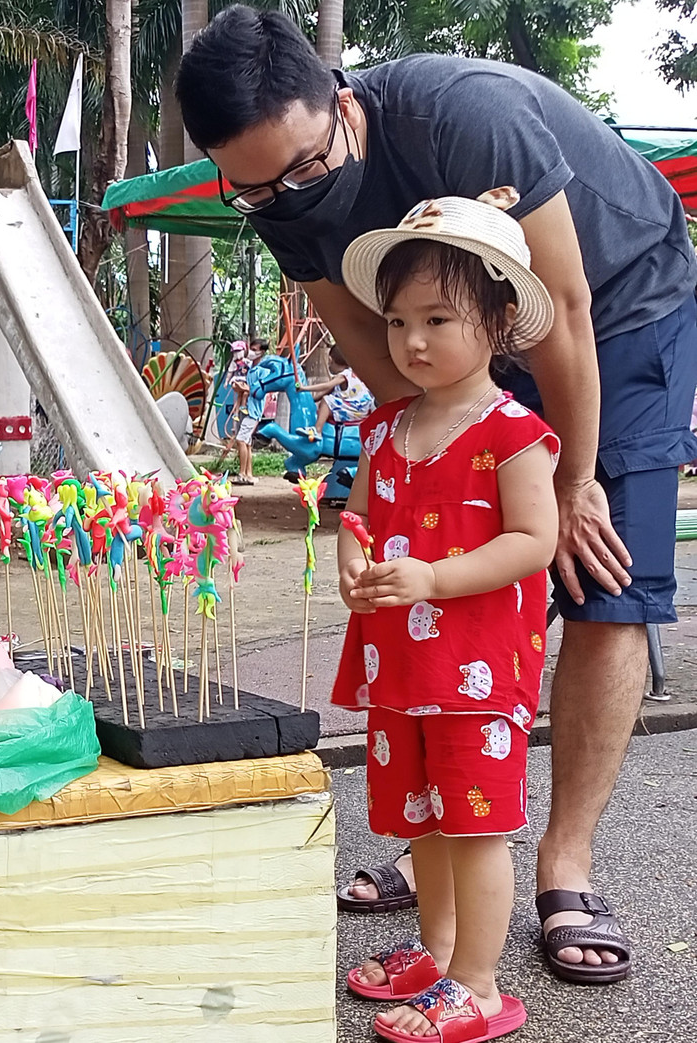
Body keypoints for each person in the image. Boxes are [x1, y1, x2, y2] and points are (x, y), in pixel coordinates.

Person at [177, 5, 697, 981]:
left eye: (303, 170)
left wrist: (570, 477)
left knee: (599, 577)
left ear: (342, 107)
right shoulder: (277, 200)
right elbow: (386, 370)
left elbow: (565, 316)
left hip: (620, 306)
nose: (287, 199)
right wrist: (404, 488)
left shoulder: (461, 118)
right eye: (255, 190)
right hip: (458, 342)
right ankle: (456, 833)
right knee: (450, 582)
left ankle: (564, 862)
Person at [332, 192, 558, 1041]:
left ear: (499, 321)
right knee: (417, 819)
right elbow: (354, 518)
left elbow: (535, 541)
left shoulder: (514, 432)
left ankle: (481, 983)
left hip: (477, 672)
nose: (412, 340)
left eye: (437, 317)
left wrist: (432, 575)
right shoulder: (386, 426)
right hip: (400, 670)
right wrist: (356, 568)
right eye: (396, 321)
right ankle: (437, 946)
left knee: (475, 826)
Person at [298, 342, 376, 442]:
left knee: (327, 401)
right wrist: (308, 400)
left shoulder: (344, 375)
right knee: (325, 402)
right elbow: (322, 394)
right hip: (362, 408)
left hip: (357, 408)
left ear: (330, 360)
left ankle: (317, 430)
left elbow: (327, 386)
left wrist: (304, 388)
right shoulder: (352, 373)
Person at [228, 336, 271, 484]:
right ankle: (248, 474)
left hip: (253, 411)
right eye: (250, 349)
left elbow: (261, 391)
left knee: (240, 440)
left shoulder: (263, 371)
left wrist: (245, 388)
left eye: (254, 350)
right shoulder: (249, 368)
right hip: (245, 409)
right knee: (246, 442)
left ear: (262, 352)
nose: (251, 353)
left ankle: (242, 474)